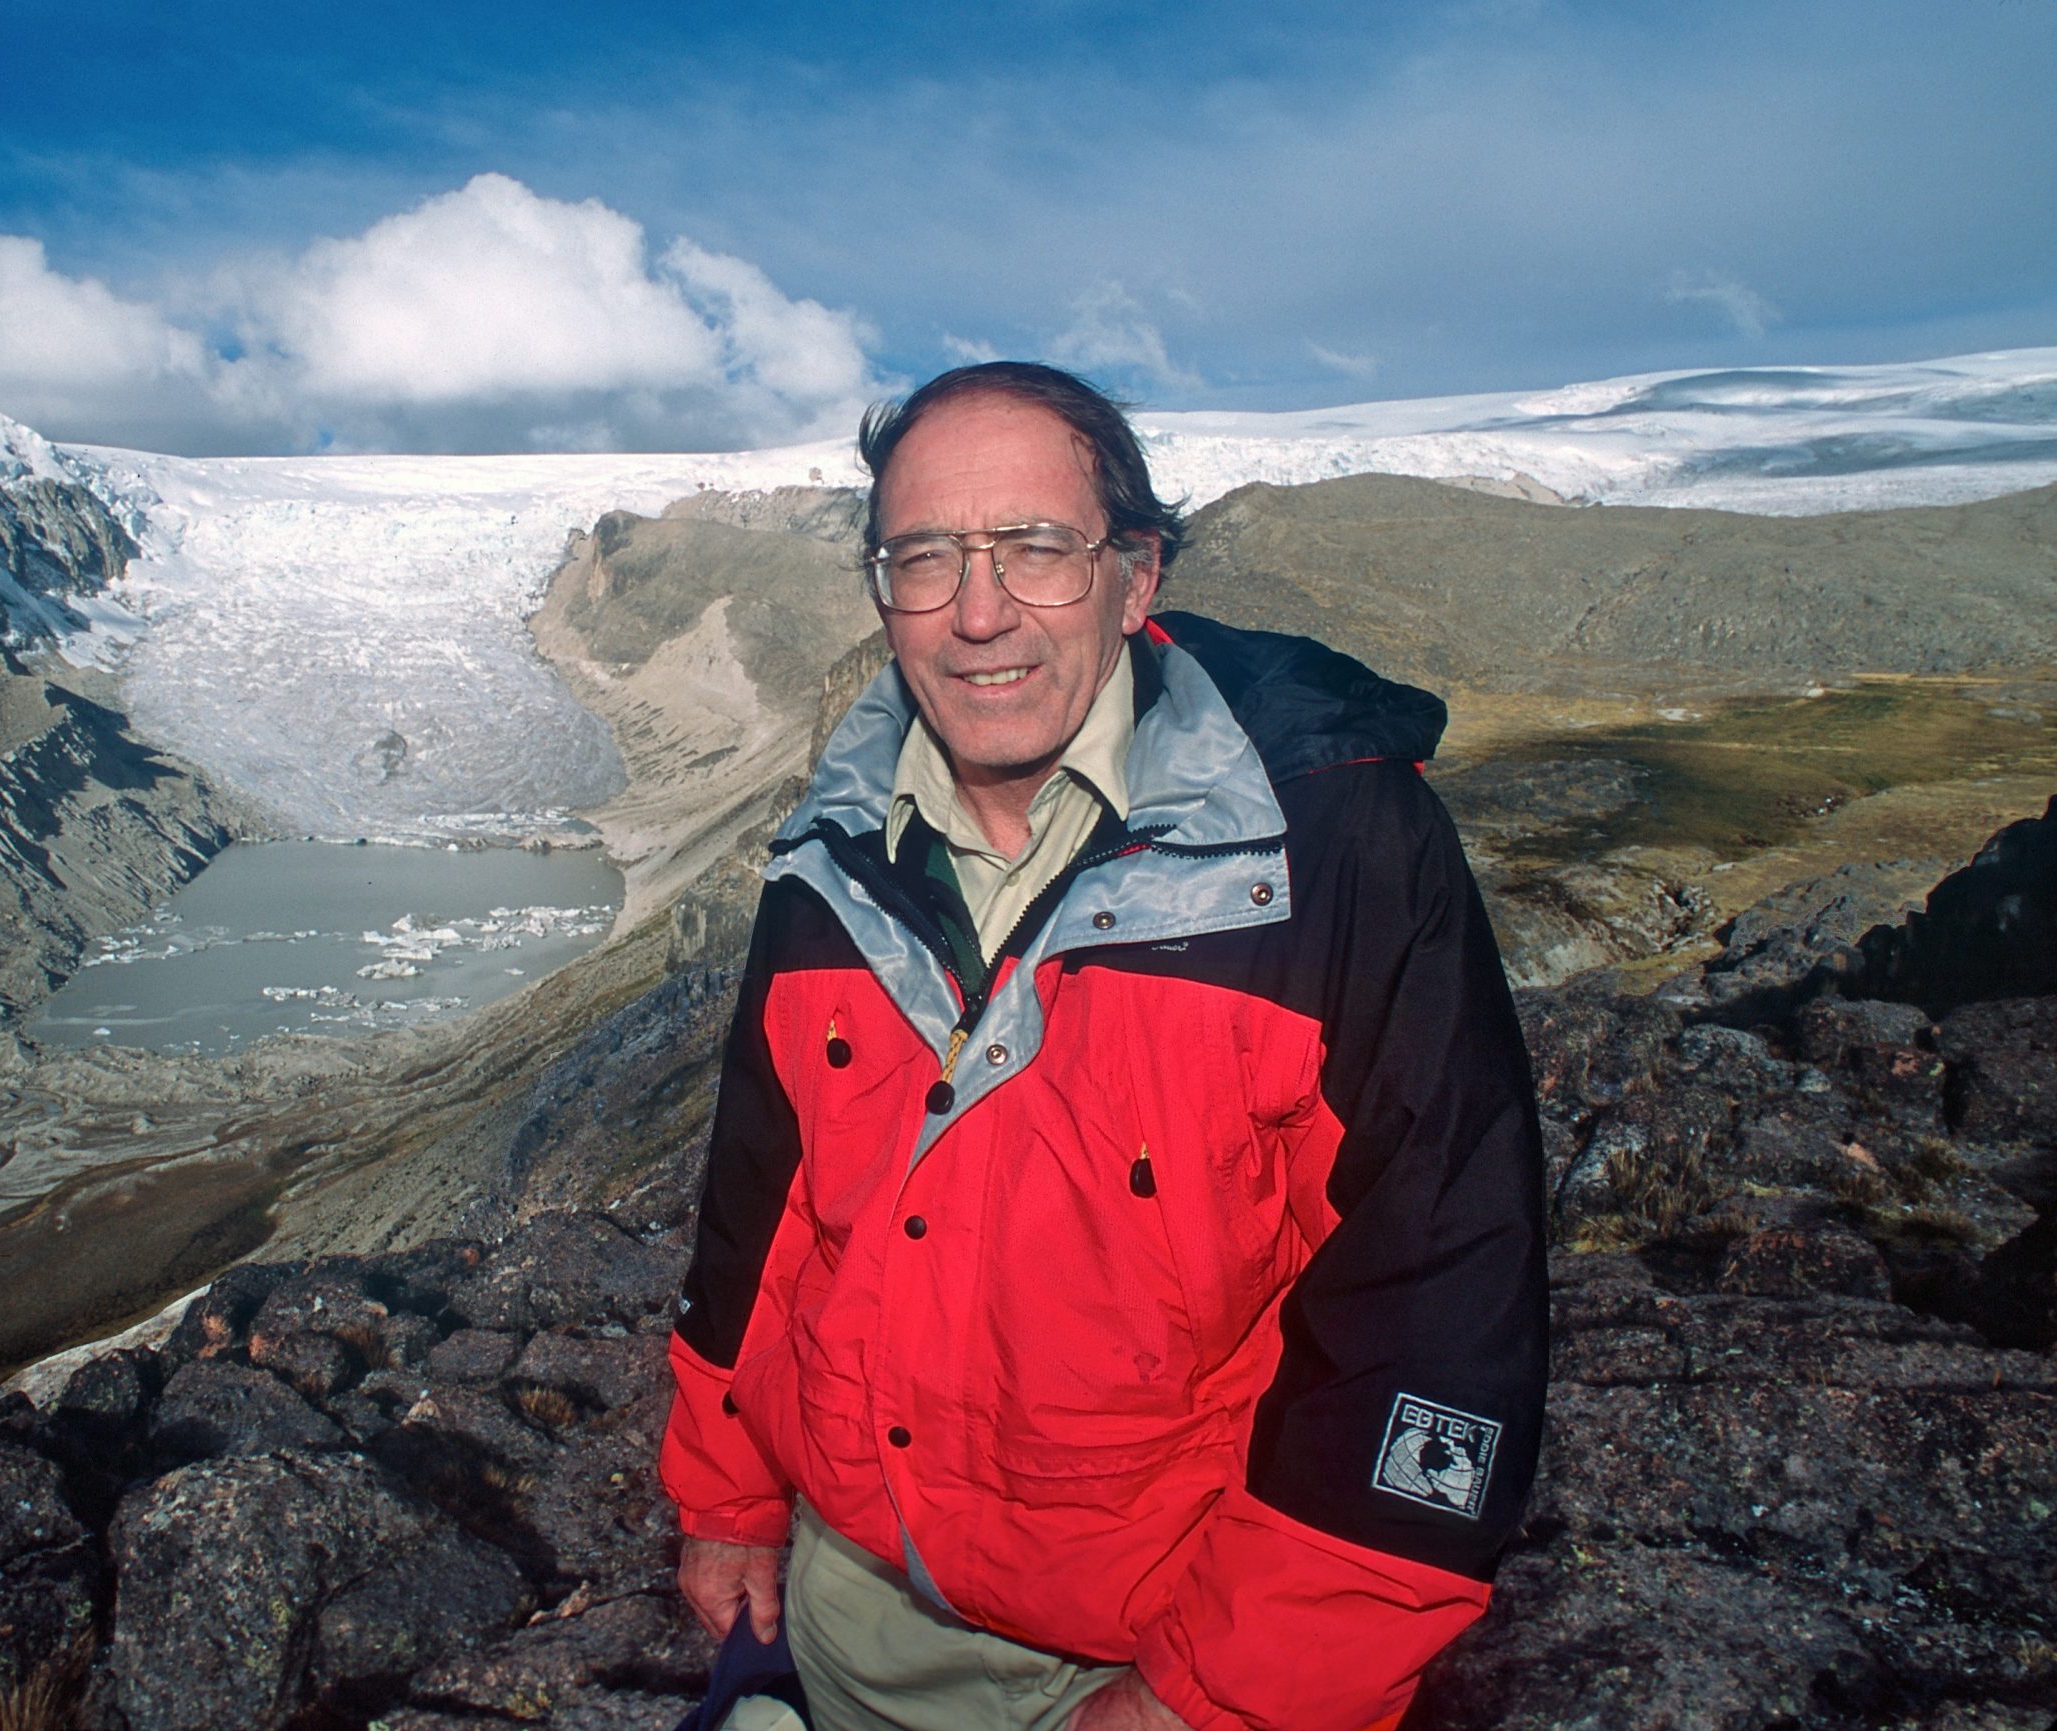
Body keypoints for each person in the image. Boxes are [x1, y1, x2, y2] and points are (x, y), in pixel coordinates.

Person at [658, 362, 1547, 1731]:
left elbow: (1433, 1299)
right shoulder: (829, 855)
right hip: (848, 1629)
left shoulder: (1333, 855)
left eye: (1035, 550)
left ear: (1135, 580)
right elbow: (759, 1208)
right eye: (926, 557)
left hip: (1148, 1656)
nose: (977, 612)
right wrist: (726, 1499)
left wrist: (1215, 1697)